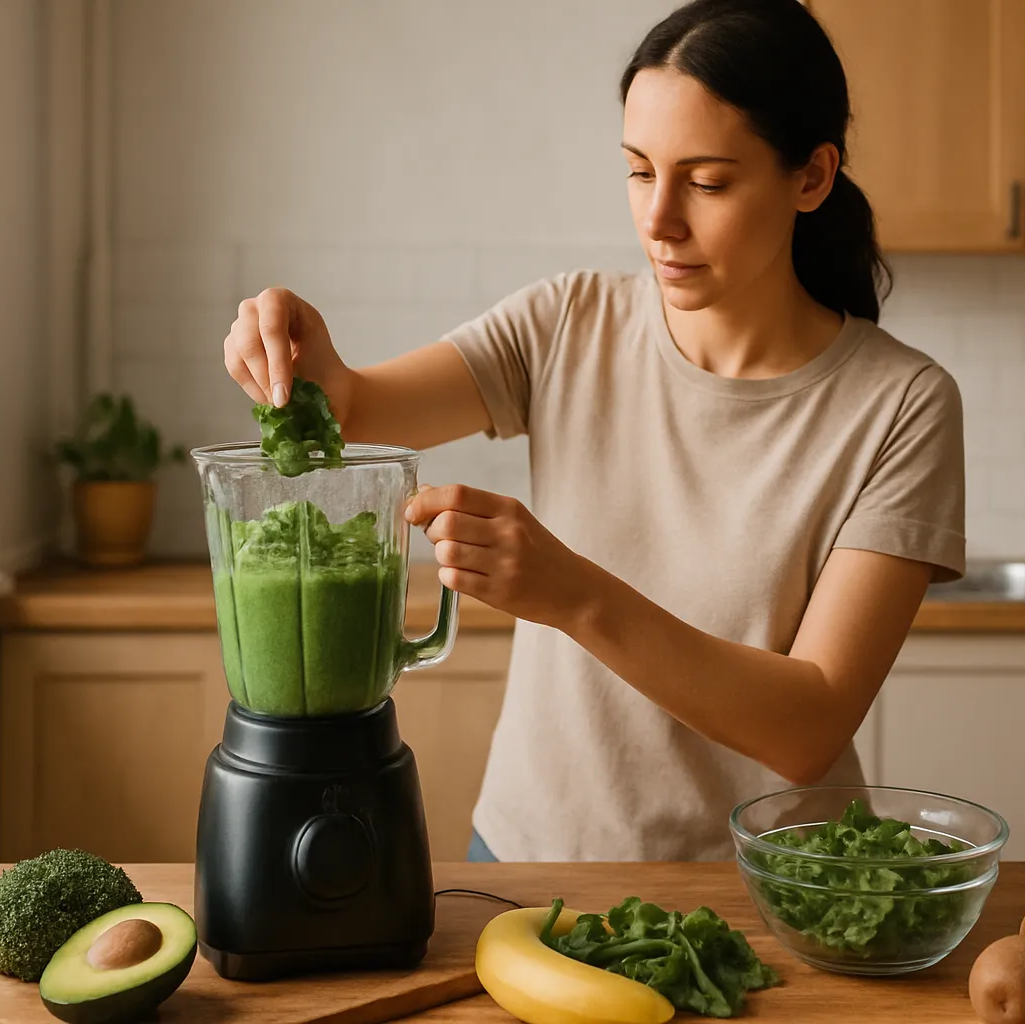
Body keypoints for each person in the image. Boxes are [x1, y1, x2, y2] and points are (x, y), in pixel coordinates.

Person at [222, 0, 965, 863]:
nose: (659, 220)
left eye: (709, 181)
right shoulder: (567, 321)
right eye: (640, 171)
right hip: (529, 859)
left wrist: (569, 591)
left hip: (771, 888)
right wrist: (293, 347)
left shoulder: (903, 404)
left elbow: (808, 727)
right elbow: (348, 404)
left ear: (811, 176)